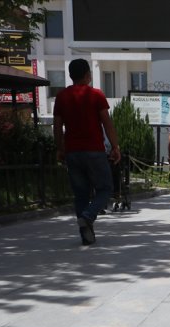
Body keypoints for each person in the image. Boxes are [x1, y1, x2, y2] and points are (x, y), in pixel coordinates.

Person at [53, 58, 121, 245]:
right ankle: (89, 215)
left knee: (81, 194)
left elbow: (57, 126)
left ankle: (86, 234)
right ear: (87, 75)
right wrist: (115, 147)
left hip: (72, 152)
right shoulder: (96, 95)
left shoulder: (61, 97)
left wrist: (59, 148)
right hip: (94, 150)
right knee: (106, 188)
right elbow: (107, 123)